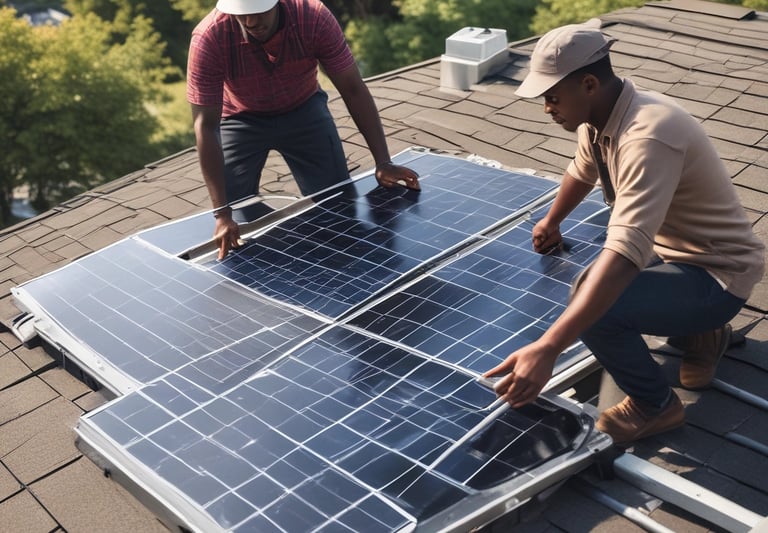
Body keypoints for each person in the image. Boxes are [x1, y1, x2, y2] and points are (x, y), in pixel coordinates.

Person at [484, 21, 765, 445]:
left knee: (599, 305)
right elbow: (583, 171)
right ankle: (701, 334)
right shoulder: (599, 119)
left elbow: (626, 248)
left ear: (590, 84)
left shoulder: (648, 135)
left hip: (718, 274)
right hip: (677, 256)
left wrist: (548, 348)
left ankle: (656, 405)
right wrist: (552, 220)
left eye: (552, 97)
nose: (547, 108)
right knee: (586, 287)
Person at [187, 0, 420, 260]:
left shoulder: (313, 18)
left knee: (338, 207)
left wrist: (383, 161)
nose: (251, 22)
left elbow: (352, 87)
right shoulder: (209, 38)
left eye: (259, 11)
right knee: (237, 212)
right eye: (242, 15)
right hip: (241, 118)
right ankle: (283, 256)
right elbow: (205, 126)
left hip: (303, 109)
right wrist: (222, 213)